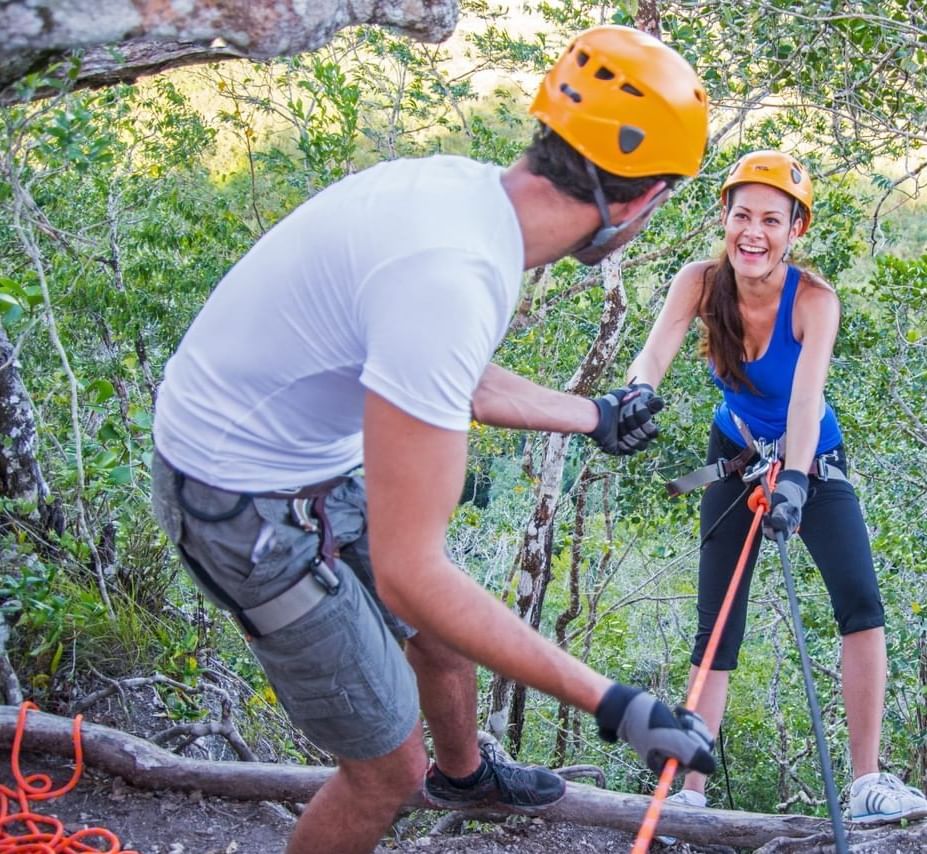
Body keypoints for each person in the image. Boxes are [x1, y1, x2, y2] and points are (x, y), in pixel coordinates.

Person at [149, 26, 717, 854]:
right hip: (237, 502)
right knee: (385, 776)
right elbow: (415, 578)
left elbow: (455, 380)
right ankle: (429, 774)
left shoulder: (466, 200)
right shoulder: (453, 276)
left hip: (297, 455)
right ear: (640, 201)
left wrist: (593, 414)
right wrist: (615, 702)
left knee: (446, 642)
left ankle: (467, 773)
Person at [625, 151, 927, 824]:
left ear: (797, 229)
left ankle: (867, 782)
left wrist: (793, 480)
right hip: (734, 456)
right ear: (725, 220)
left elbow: (805, 401)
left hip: (812, 460)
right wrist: (638, 393)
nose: (754, 233)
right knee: (718, 625)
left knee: (860, 602)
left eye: (772, 219)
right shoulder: (699, 283)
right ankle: (689, 795)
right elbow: (655, 350)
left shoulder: (815, 301)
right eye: (743, 216)